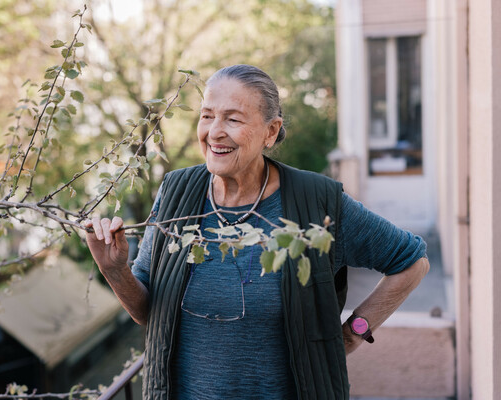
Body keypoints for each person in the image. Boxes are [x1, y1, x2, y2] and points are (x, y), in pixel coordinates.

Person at [83, 64, 429, 400]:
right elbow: (147, 313)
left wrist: (351, 335)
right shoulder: (176, 193)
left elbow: (412, 263)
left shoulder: (317, 203)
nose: (214, 131)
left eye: (232, 119)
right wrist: (115, 270)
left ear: (271, 131)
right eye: (207, 116)